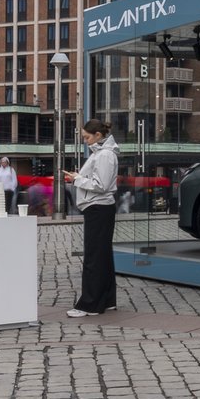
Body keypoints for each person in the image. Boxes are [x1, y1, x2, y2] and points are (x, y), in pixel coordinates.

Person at [64, 120, 120, 318]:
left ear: (98, 135)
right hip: (100, 207)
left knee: (94, 257)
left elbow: (101, 185)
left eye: (87, 137)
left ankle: (90, 304)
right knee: (102, 255)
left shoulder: (104, 155)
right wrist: (78, 177)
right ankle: (107, 299)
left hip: (98, 207)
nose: (85, 140)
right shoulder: (102, 153)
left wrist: (77, 179)